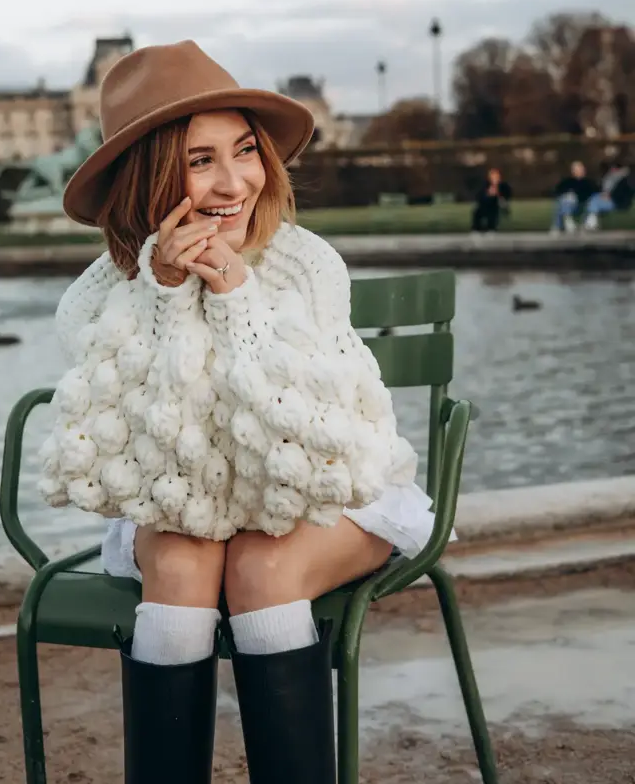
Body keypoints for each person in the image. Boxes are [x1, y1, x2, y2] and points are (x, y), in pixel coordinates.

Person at [40, 42, 441, 784]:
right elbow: (155, 460)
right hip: (180, 496)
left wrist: (236, 303)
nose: (234, 183)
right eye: (199, 161)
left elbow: (312, 447)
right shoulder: (97, 299)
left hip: (337, 488)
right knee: (188, 566)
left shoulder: (303, 264)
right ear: (150, 176)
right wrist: (163, 301)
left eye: (245, 151)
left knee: (261, 568)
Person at [583, 160, 633, 230]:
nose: (612, 170)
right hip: (610, 199)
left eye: (613, 168)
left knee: (594, 202)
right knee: (593, 198)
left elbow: (622, 193)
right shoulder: (610, 177)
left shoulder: (625, 179)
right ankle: (590, 222)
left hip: (617, 202)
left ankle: (591, 223)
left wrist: (609, 196)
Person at [551, 160, 597, 233]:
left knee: (563, 202)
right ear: (572, 171)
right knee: (563, 200)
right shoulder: (567, 182)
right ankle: (567, 220)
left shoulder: (589, 182)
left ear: (584, 170)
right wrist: (568, 195)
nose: (578, 171)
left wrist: (575, 195)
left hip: (581, 204)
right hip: (568, 204)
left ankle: (560, 225)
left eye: (580, 169)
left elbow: (594, 194)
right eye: (575, 169)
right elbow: (557, 192)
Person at [471, 167, 512, 233]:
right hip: (485, 205)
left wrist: (497, 193)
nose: (494, 178)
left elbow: (506, 197)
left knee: (493, 210)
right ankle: (477, 228)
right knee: (477, 211)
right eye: (493, 176)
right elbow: (479, 196)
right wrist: (488, 194)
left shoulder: (504, 186)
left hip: (497, 205)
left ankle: (491, 227)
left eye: (496, 176)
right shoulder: (485, 185)